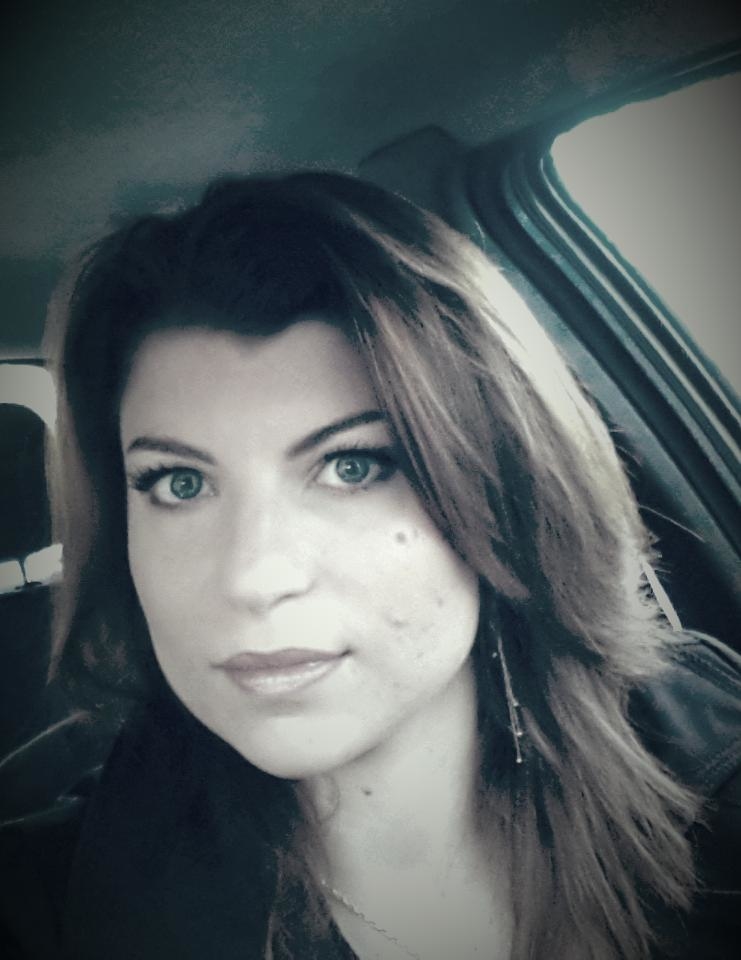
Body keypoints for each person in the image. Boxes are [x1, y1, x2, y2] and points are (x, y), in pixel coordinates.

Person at [1, 172, 739, 960]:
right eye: (178, 484)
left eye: (352, 467)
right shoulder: (44, 908)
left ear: (503, 491)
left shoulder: (707, 759)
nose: (252, 578)